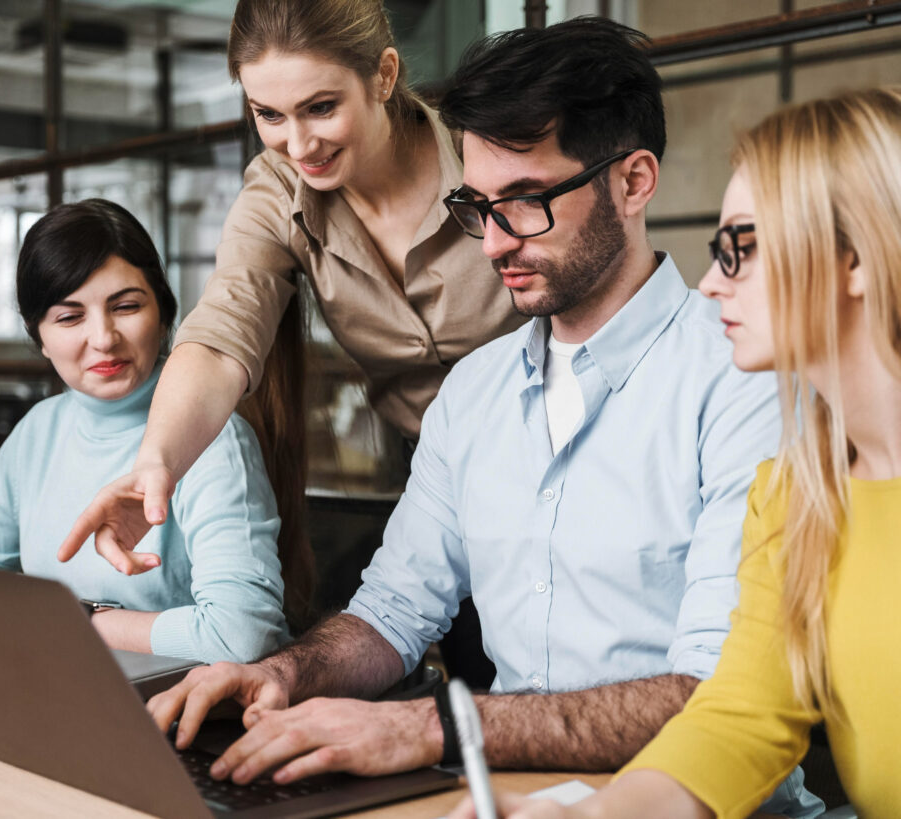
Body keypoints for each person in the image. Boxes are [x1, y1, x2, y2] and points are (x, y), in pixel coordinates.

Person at [141, 19, 819, 817]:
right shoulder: (472, 394)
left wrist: (433, 726)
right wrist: (287, 674)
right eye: (477, 205)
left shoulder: (744, 383)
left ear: (634, 183)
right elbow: (391, 613)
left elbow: (718, 699)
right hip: (507, 796)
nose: (494, 241)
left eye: (527, 203)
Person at [448, 86, 901, 819]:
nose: (713, 280)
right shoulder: (794, 493)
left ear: (856, 259)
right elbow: (740, 719)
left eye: (741, 250)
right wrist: (585, 816)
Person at [57, 0, 523, 579]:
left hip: (559, 447)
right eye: (269, 115)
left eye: (321, 108)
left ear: (383, 75)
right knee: (468, 657)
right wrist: (156, 463)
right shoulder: (279, 192)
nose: (299, 145)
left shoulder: (483, 152)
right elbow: (223, 333)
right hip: (433, 471)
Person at [0, 199, 293, 665]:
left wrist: (83, 622)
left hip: (176, 710)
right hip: (53, 688)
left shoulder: (213, 437)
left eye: (125, 306)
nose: (104, 338)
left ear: (165, 315)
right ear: (40, 338)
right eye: (69, 317)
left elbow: (240, 635)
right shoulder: (36, 432)